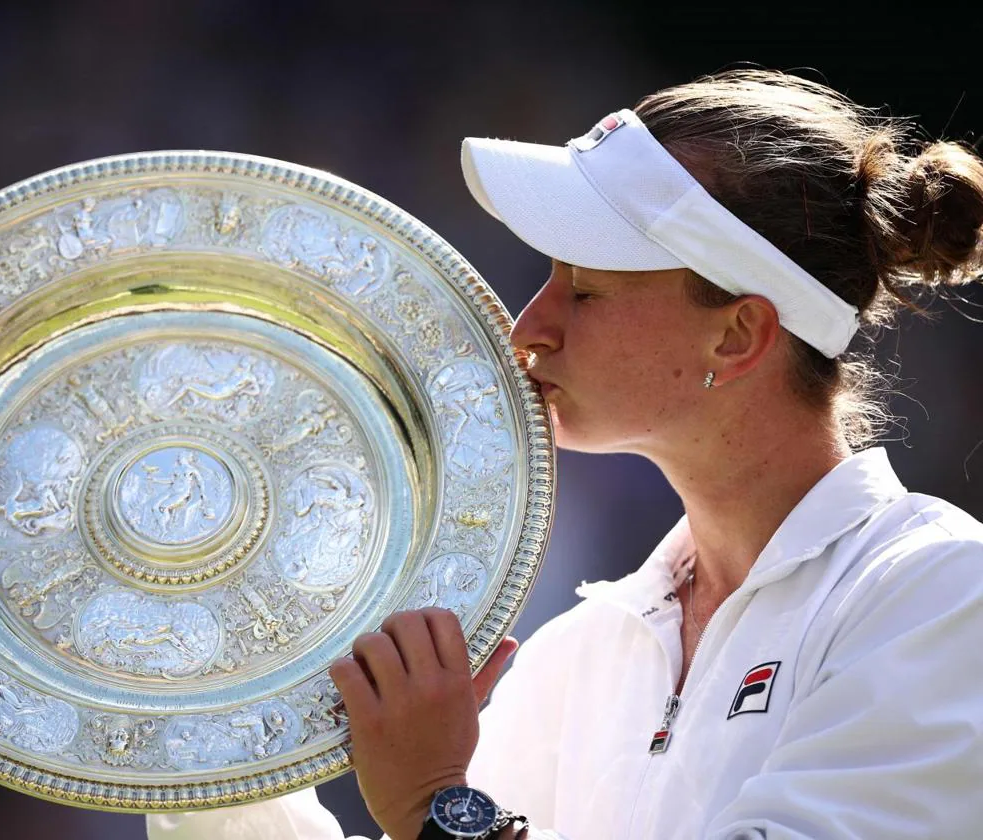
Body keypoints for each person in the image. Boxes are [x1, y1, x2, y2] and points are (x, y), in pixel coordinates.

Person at [147, 69, 983, 839]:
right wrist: (220, 750)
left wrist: (437, 806)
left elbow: (442, 822)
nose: (530, 329)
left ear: (738, 335)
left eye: (585, 291)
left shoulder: (941, 592)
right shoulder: (578, 651)